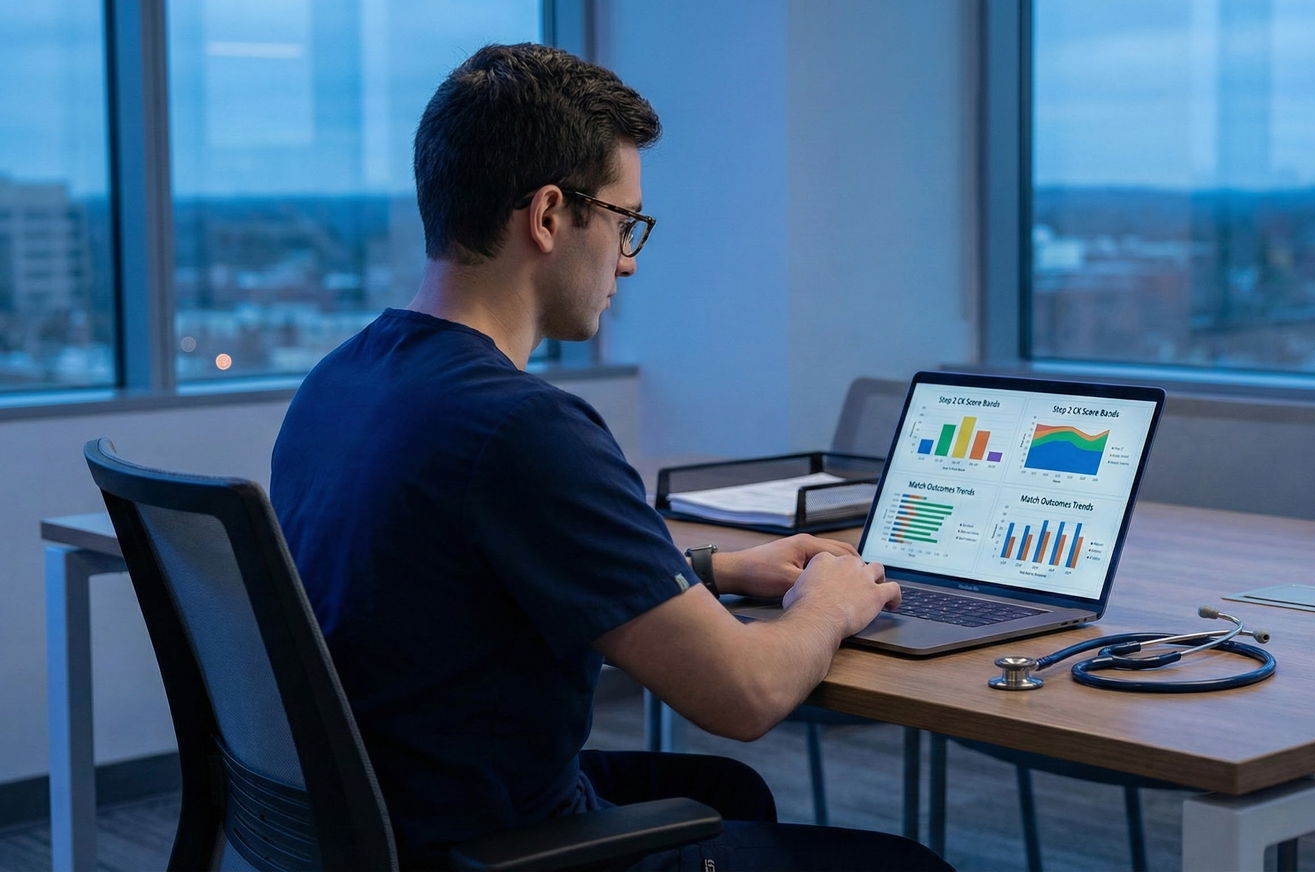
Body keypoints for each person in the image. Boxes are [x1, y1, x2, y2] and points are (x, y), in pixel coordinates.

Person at [270, 43, 951, 871]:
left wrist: (715, 569)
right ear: (550, 216)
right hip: (490, 845)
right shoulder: (520, 428)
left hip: (384, 813)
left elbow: (464, 587)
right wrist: (831, 601)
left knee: (729, 800)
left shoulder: (343, 382)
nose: (628, 258)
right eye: (625, 222)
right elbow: (746, 695)